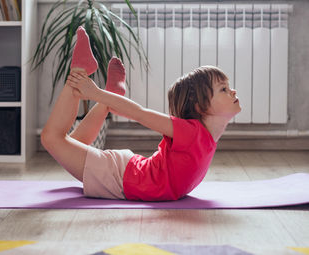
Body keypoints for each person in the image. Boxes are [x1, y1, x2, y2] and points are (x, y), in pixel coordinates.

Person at [41, 26, 241, 201]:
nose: (232, 91)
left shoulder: (203, 135)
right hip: (121, 178)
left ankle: (104, 96)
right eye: (223, 89)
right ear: (199, 107)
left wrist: (102, 96)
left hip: (128, 172)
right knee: (52, 138)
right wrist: (95, 93)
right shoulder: (191, 133)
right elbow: (140, 114)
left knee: (73, 143)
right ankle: (79, 72)